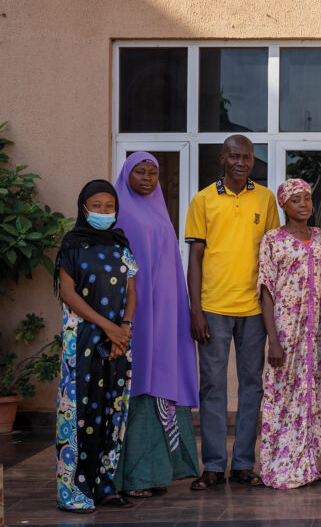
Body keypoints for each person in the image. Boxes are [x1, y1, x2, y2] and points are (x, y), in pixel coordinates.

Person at [184, 135, 280, 490]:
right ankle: (212, 465)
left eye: (248, 158)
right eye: (235, 157)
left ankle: (242, 464)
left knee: (252, 386)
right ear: (222, 158)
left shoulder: (266, 198)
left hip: (254, 309)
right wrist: (195, 310)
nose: (241, 163)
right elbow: (194, 258)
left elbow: (272, 259)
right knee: (212, 388)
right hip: (213, 308)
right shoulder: (203, 200)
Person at [112, 153, 200, 498]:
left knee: (161, 382)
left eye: (153, 173)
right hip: (133, 313)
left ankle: (161, 472)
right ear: (126, 174)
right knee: (137, 382)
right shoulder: (118, 212)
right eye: (139, 172)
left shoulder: (159, 211)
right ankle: (135, 479)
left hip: (164, 313)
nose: (147, 178)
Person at [54, 180, 137, 512]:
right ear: (83, 208)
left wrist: (124, 330)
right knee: (81, 412)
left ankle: (104, 485)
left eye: (109, 206)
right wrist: (109, 328)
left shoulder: (121, 246)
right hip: (83, 342)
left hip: (117, 341)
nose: (104, 212)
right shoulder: (72, 245)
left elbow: (132, 292)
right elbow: (67, 293)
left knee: (109, 411)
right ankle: (76, 489)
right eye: (96, 206)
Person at [256, 179, 321, 489]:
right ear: (283, 205)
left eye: (307, 198)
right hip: (286, 332)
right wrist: (273, 339)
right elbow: (266, 290)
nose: (303, 204)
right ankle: (277, 463)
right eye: (296, 199)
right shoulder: (272, 239)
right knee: (281, 393)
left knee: (314, 394)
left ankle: (308, 462)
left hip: (318, 332)